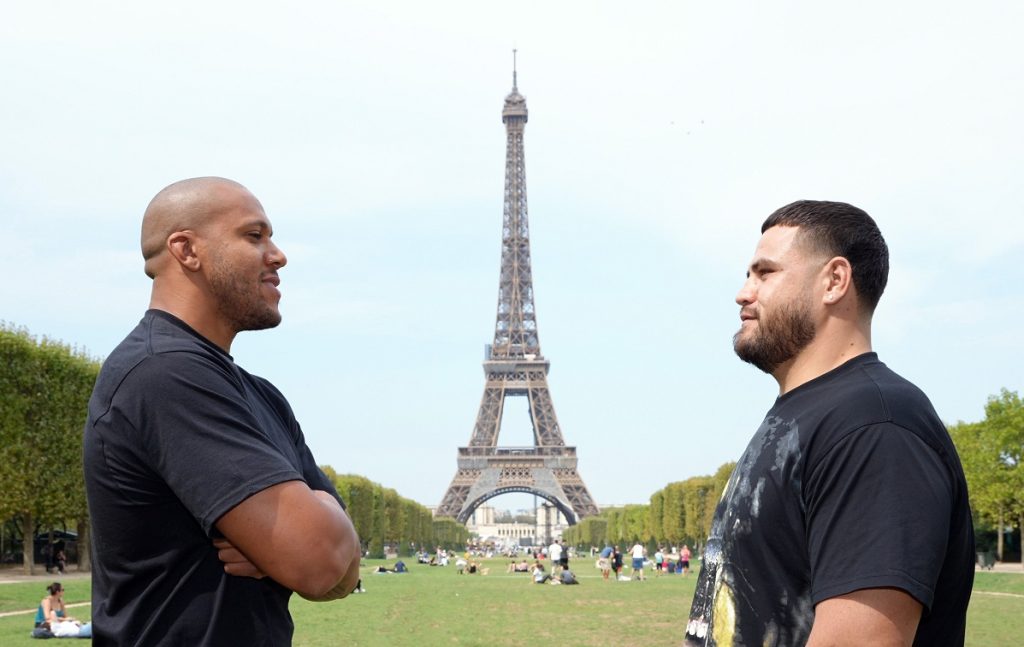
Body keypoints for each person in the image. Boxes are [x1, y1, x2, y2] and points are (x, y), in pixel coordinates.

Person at [83, 177, 362, 646]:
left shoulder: (259, 394)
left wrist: (307, 542)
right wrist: (306, 535)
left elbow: (343, 573)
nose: (278, 255)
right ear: (186, 250)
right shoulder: (165, 375)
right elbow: (318, 564)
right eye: (254, 236)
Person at [684, 201, 974, 646]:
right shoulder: (808, 416)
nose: (743, 292)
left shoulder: (875, 425)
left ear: (835, 281)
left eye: (765, 273)